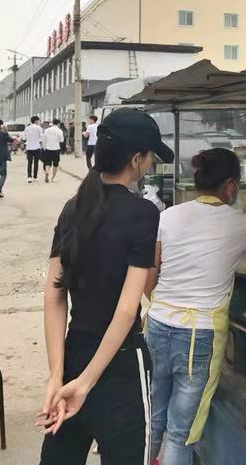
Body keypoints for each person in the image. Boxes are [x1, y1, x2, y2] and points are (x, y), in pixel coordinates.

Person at [36, 108, 174, 465]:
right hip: (119, 368)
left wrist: (58, 377)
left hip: (73, 355)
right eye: (149, 157)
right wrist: (86, 383)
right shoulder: (144, 213)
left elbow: (54, 296)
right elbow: (127, 310)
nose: (150, 165)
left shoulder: (73, 207)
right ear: (136, 159)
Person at [145, 148, 246, 465]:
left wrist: (166, 302)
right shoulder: (241, 223)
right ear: (230, 185)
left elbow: (150, 273)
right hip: (198, 335)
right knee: (181, 432)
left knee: (152, 418)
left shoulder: (168, 215)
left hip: (158, 325)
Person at [23, 115, 44, 183]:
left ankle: (29, 177)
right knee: (36, 163)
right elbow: (41, 137)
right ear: (35, 121)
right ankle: (35, 177)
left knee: (29, 162)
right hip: (37, 147)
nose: (38, 122)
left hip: (29, 147)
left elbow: (24, 138)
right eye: (38, 120)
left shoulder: (27, 128)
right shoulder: (39, 128)